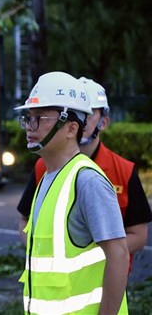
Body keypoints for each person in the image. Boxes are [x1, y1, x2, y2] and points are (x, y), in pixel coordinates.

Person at [15, 71, 129, 314]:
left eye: (40, 118)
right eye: (28, 117)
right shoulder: (48, 178)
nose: (30, 126)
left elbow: (119, 254)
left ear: (71, 128)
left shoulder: (88, 181)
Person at [17, 77, 151, 268]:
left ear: (104, 121)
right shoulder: (44, 166)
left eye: (90, 113)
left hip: (101, 280)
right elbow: (25, 219)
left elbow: (137, 236)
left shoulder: (123, 170)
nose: (84, 120)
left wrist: (81, 259)